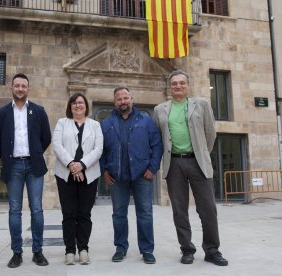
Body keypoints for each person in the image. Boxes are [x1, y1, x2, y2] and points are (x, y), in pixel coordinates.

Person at [152, 70, 228, 266]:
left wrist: (201, 153)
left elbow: (210, 134)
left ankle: (212, 250)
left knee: (208, 209)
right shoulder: (160, 109)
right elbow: (157, 139)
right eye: (174, 83)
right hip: (174, 163)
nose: (178, 86)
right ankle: (187, 249)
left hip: (198, 162)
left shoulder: (201, 105)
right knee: (179, 209)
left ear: (188, 85)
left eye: (182, 83)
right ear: (170, 86)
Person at [0, 73, 51, 268]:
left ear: (28, 89)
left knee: (37, 210)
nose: (20, 89)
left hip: (34, 166)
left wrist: (35, 153)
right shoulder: (1, 113)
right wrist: (8, 157)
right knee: (15, 211)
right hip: (13, 165)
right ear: (11, 88)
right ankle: (17, 252)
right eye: (17, 85)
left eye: (23, 86)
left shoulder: (39, 111)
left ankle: (37, 251)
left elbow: (46, 137)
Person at [100, 87, 163, 264]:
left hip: (142, 175)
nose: (123, 101)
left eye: (126, 98)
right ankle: (120, 248)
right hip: (116, 176)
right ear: (114, 102)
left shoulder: (146, 121)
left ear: (132, 99)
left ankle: (147, 250)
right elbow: (100, 150)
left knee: (145, 213)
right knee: (119, 214)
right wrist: (104, 171)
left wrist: (153, 167)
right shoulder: (106, 123)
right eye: (119, 99)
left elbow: (157, 146)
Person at [52, 93, 103, 265]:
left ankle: (83, 249)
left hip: (89, 175)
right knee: (69, 214)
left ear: (86, 106)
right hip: (65, 175)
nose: (77, 105)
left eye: (80, 102)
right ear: (70, 106)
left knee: (84, 214)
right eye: (74, 103)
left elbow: (98, 149)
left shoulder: (95, 125)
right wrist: (72, 165)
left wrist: (81, 165)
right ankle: (69, 251)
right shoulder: (62, 122)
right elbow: (57, 145)